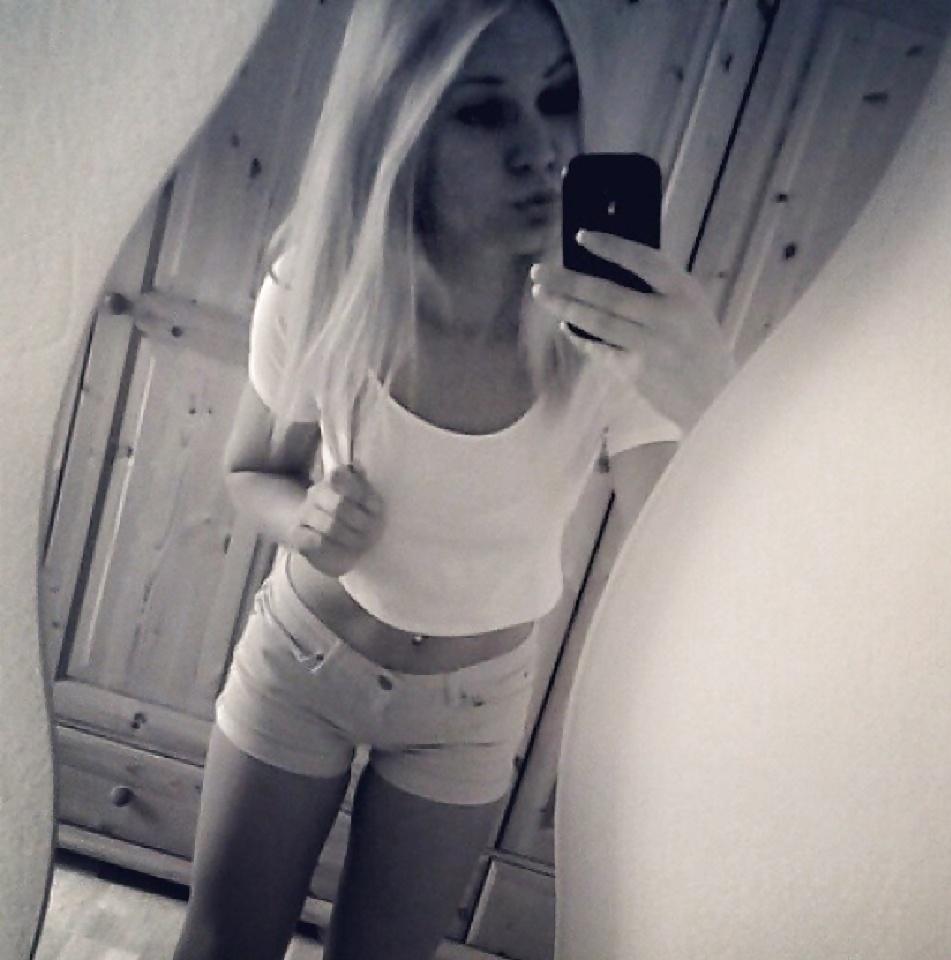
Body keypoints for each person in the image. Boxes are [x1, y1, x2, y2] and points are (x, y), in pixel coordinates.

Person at [172, 1, 732, 959]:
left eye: (557, 98)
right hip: (302, 661)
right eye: (482, 110)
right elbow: (249, 471)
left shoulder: (611, 328)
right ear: (400, 129)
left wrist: (710, 394)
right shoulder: (323, 286)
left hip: (470, 713)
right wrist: (304, 518)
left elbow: (683, 552)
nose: (541, 151)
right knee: (223, 944)